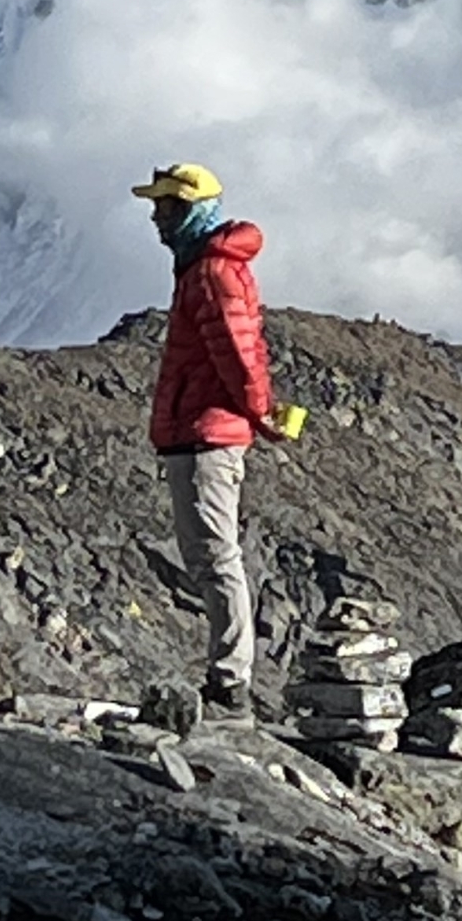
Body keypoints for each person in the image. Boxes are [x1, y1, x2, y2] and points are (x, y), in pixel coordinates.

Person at [133, 162, 281, 721]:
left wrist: (259, 411)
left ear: (191, 209)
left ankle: (230, 682)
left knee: (216, 557)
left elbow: (239, 357)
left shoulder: (209, 274)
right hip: (200, 433)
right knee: (210, 555)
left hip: (206, 436)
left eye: (166, 207)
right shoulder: (201, 268)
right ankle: (227, 675)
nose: (156, 217)